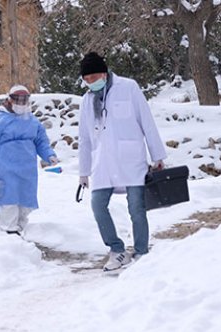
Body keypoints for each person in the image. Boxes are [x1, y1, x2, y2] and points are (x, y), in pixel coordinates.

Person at [77, 52, 167, 271]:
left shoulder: (128, 88)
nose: (91, 83)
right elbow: (85, 139)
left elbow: (146, 120)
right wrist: (83, 172)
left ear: (104, 73)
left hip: (131, 160)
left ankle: (141, 251)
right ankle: (116, 250)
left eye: (94, 78)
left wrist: (157, 156)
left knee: (136, 208)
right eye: (86, 80)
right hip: (102, 164)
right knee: (98, 205)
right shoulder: (87, 100)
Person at [0, 85, 59, 235]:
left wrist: (49, 155)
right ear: (10, 100)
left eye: (24, 101)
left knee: (25, 201)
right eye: (18, 100)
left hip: (27, 169)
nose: (21, 104)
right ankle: (9, 232)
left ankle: (20, 232)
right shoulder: (0, 120)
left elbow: (41, 141)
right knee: (9, 201)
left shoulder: (32, 121)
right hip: (5, 168)